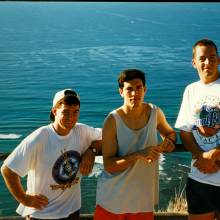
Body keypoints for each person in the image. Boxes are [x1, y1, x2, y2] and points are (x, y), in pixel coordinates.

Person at [1, 88, 102, 220]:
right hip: (42, 214)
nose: (71, 118)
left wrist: (91, 151)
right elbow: (7, 170)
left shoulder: (82, 131)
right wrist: (25, 199)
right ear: (54, 111)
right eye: (66, 112)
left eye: (75, 112)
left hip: (72, 211)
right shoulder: (40, 137)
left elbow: (107, 138)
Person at [94, 69, 176, 220]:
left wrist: (168, 142)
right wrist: (139, 154)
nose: (134, 93)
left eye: (138, 88)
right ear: (121, 92)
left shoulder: (155, 112)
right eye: (129, 89)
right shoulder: (112, 121)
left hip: (143, 200)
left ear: (145, 89)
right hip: (113, 200)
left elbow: (170, 133)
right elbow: (109, 165)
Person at [175, 39, 220, 220]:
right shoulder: (190, 90)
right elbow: (185, 131)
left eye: (212, 57)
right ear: (194, 63)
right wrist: (200, 156)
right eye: (202, 58)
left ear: (218, 60)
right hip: (200, 178)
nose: (207, 62)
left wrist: (214, 155)